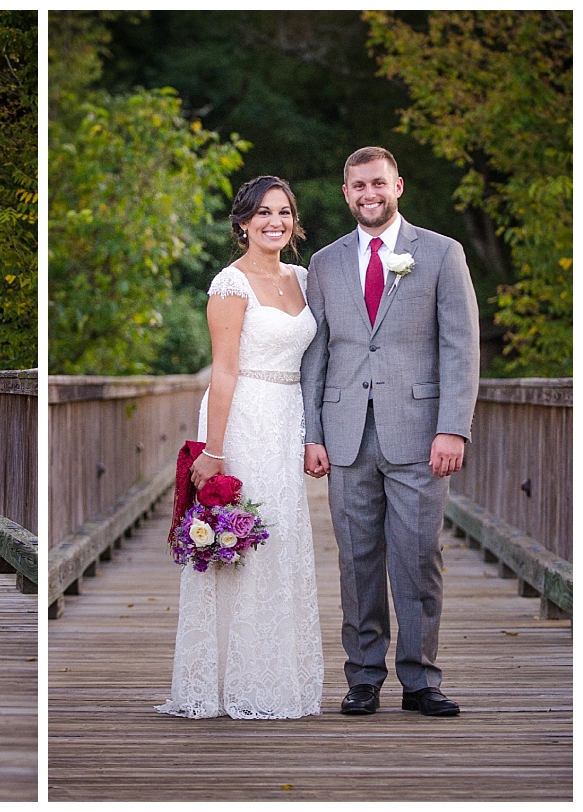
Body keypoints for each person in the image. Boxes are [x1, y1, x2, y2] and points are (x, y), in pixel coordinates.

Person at [300, 146, 480, 717]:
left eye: (377, 183)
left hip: (421, 435)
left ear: (397, 185)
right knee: (356, 560)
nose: (368, 194)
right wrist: (313, 432)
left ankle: (421, 679)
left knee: (418, 556)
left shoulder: (442, 253)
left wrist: (453, 428)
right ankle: (364, 677)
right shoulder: (325, 263)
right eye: (357, 186)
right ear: (345, 192)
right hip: (346, 433)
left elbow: (460, 347)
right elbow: (316, 353)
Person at [156, 176, 324, 720]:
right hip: (244, 416)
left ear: (293, 222)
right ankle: (229, 684)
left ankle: (276, 679)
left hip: (288, 416)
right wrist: (215, 450)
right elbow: (224, 370)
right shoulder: (229, 285)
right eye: (263, 214)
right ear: (243, 223)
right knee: (243, 542)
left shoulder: (303, 278)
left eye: (283, 213)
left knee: (283, 541)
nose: (274, 222)